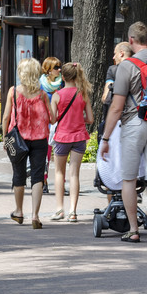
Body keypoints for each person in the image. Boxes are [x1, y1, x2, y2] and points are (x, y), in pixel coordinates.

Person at [100, 21, 147, 246]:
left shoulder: (126, 66)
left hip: (133, 124)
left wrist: (105, 138)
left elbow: (116, 107)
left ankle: (133, 229)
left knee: (129, 178)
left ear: (130, 41)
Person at [2, 58, 55, 229]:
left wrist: (5, 138)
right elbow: (52, 118)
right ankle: (35, 215)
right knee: (38, 176)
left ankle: (19, 211)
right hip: (40, 139)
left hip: (19, 139)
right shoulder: (42, 95)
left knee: (18, 175)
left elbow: (5, 117)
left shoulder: (13, 92)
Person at [49, 62, 93, 222]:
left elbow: (52, 119)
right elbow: (90, 118)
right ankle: (73, 211)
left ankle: (59, 209)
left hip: (62, 137)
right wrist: (78, 118)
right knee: (75, 174)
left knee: (59, 173)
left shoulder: (57, 95)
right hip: (80, 136)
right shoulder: (83, 94)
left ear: (63, 77)